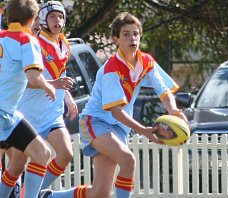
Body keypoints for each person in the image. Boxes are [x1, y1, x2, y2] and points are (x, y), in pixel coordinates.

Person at [39, 12, 188, 198]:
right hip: (96, 122)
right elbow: (116, 112)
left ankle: (49, 197)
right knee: (128, 160)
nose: (132, 38)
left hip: (117, 128)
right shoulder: (112, 69)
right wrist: (144, 130)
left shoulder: (146, 62)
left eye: (135, 34)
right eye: (126, 34)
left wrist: (173, 109)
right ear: (115, 39)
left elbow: (164, 91)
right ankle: (30, 191)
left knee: (100, 192)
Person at [7, 0, 78, 193]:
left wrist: (68, 98)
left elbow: (60, 73)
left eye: (61, 16)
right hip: (28, 113)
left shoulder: (63, 43)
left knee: (65, 154)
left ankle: (31, 193)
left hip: (52, 113)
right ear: (42, 20)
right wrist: (53, 85)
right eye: (52, 16)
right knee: (16, 167)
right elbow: (24, 79)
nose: (58, 20)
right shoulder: (35, 43)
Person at [0, 0, 56, 197]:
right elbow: (33, 76)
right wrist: (48, 86)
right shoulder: (27, 40)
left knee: (42, 153)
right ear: (33, 19)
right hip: (3, 114)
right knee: (42, 155)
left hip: (9, 116)